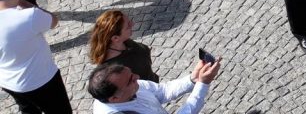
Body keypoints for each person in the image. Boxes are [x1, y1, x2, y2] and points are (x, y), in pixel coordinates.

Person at [0, 0, 71, 114]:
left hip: (10, 83)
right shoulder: (29, 16)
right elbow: (53, 21)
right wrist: (25, 3)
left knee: (28, 110)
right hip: (42, 80)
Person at [88, 58, 220, 114]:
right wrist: (202, 84)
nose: (137, 77)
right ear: (114, 99)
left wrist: (193, 79)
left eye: (131, 73)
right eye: (130, 81)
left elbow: (163, 91)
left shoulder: (130, 86)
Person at [88, 10, 158, 82]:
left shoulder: (125, 42)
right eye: (128, 26)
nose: (132, 24)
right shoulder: (113, 69)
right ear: (115, 38)